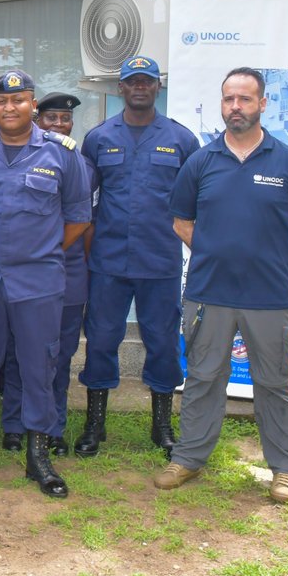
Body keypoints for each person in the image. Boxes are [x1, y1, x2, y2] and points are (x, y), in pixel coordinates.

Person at [156, 67, 288, 503]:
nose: (236, 107)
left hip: (269, 295)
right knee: (203, 378)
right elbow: (181, 221)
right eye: (229, 99)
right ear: (222, 103)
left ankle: (285, 468)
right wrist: (217, 253)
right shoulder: (201, 162)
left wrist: (263, 254)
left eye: (245, 99)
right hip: (209, 293)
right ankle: (188, 458)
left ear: (263, 103)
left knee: (276, 383)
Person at [0, 70, 91, 498]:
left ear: (33, 105)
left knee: (38, 367)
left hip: (39, 280)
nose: (10, 108)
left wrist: (39, 248)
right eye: (2, 102)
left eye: (20, 100)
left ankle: (38, 456)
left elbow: (78, 218)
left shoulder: (64, 155)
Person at [74, 56, 200, 459]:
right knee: (101, 340)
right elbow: (86, 201)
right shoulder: (98, 138)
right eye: (132, 82)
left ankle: (161, 426)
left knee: (162, 341)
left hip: (159, 262)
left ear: (157, 87)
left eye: (147, 81)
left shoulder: (182, 140)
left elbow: (194, 204)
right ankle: (95, 424)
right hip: (108, 262)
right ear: (121, 89)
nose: (140, 88)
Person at [1, 93, 94, 456]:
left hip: (66, 272)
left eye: (64, 119)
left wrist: (51, 249)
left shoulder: (78, 161)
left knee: (58, 353)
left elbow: (83, 222)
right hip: (23, 274)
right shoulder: (19, 159)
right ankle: (12, 422)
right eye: (50, 118)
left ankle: (53, 425)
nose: (57, 125)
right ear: (37, 119)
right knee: (16, 351)